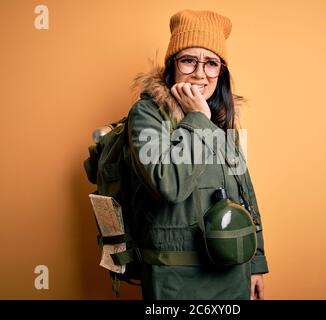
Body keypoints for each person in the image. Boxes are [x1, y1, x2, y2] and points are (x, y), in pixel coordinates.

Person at [126, 9, 269, 300]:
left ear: (221, 71)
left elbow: (245, 195)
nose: (200, 73)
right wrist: (197, 119)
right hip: (175, 281)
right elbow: (170, 185)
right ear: (172, 66)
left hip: (232, 275)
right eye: (189, 60)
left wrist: (256, 264)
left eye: (211, 63)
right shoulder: (146, 115)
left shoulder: (221, 119)